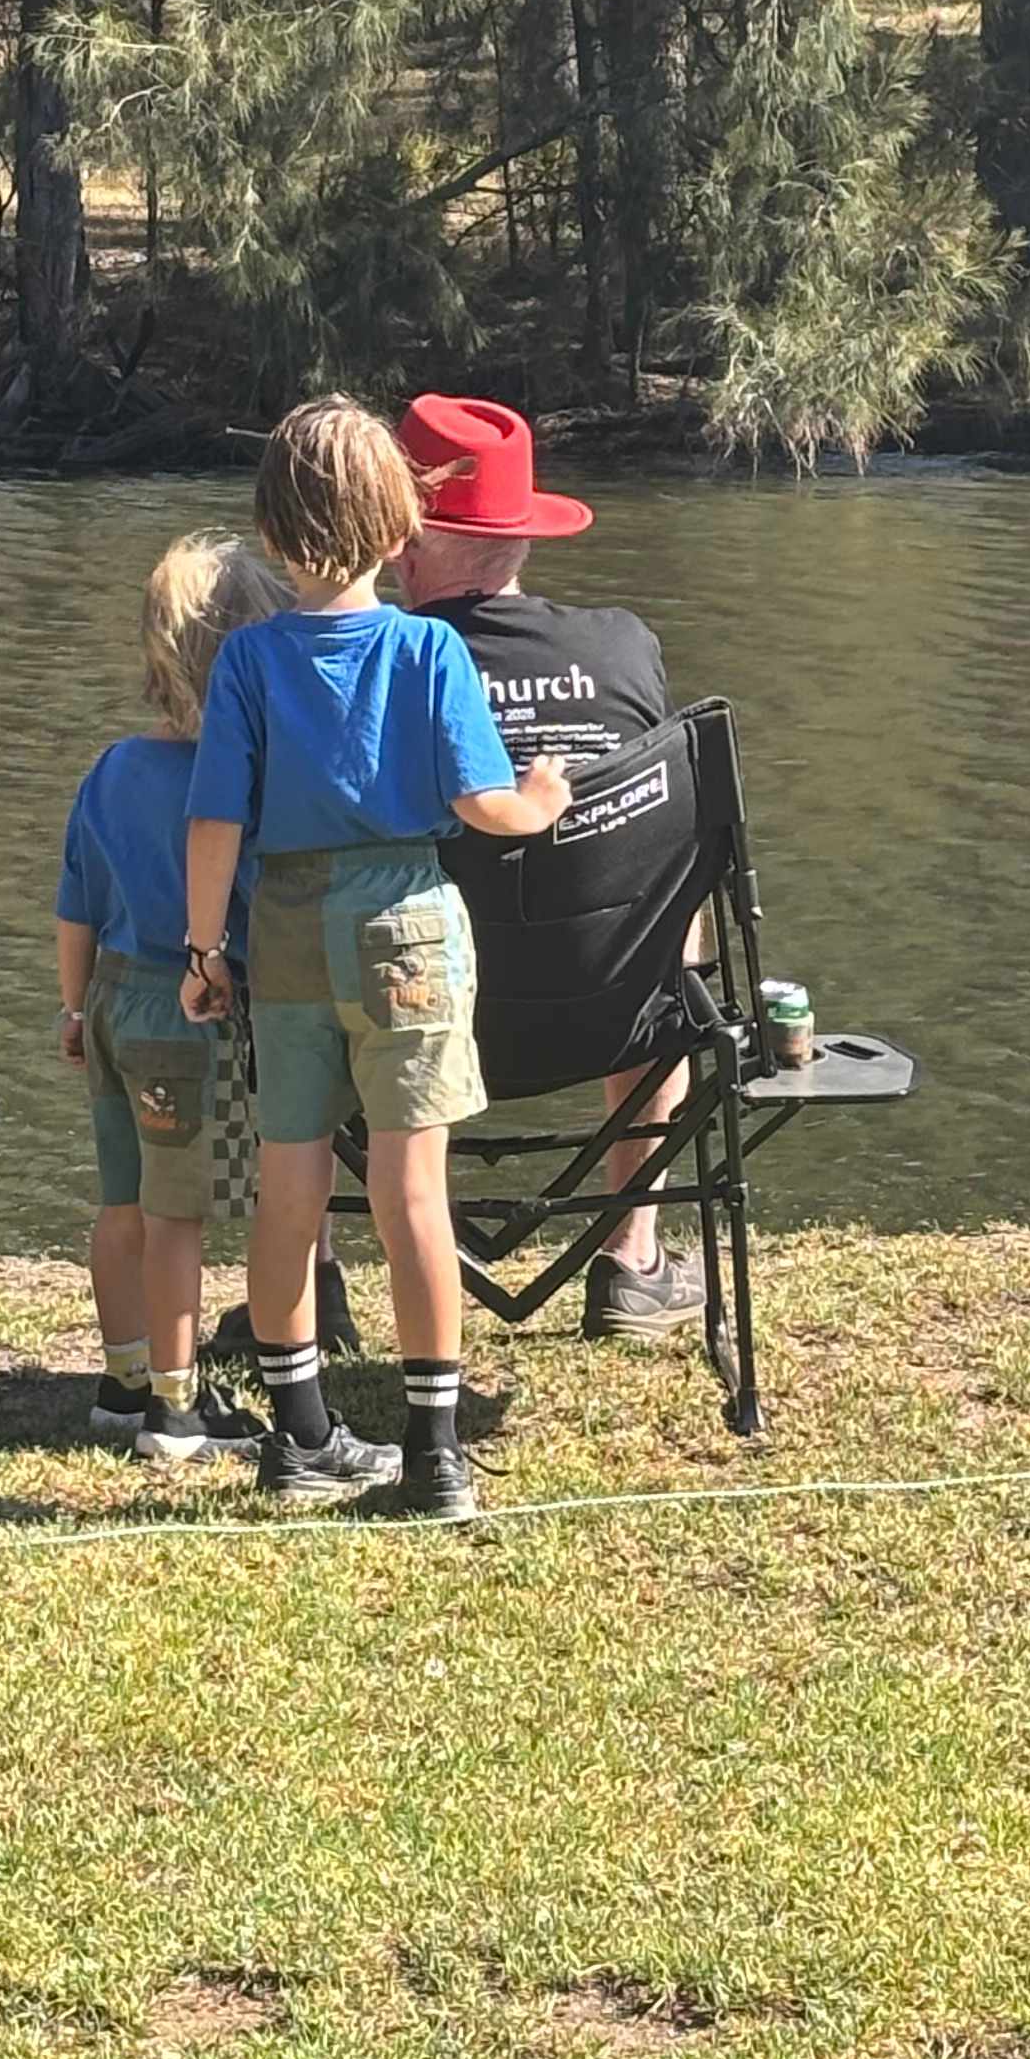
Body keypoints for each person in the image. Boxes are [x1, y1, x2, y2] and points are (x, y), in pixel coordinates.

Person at [183, 395, 572, 1521]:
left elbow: (215, 821)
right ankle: (435, 1450)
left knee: (289, 1180)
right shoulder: (428, 647)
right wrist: (540, 802)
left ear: (268, 533)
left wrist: (205, 948)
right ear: (402, 525)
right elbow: (479, 802)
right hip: (404, 916)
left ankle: (299, 1432)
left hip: (288, 925)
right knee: (412, 1188)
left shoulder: (250, 664)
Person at [393, 391, 702, 1345]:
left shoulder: (373, 664)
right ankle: (632, 1258)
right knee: (666, 925)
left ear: (401, 534)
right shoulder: (622, 646)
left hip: (411, 1010)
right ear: (521, 534)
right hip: (609, 1010)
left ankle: (313, 1280)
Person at [54, 532, 283, 1462]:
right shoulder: (236, 783)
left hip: (108, 1001)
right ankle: (179, 1411)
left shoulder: (109, 769)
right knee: (176, 1214)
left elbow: (73, 903)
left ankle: (122, 1379)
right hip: (182, 1014)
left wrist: (71, 1012)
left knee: (122, 1200)